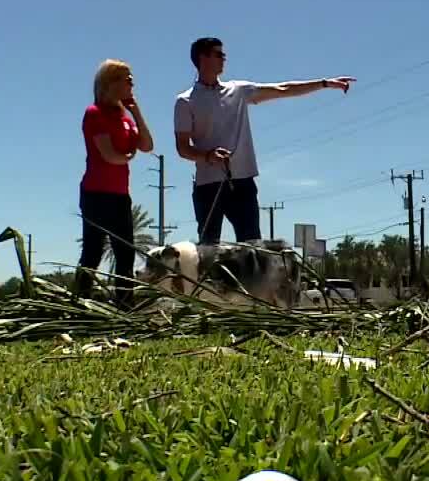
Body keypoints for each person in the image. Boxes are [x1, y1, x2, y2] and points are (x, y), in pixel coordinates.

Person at [173, 36, 355, 244]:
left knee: (252, 247)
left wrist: (324, 83)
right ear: (202, 58)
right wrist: (207, 155)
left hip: (242, 183)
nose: (224, 58)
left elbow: (283, 89)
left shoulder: (238, 90)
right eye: (219, 54)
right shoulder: (185, 101)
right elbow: (182, 148)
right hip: (207, 186)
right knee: (207, 249)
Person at [73, 59, 155, 299]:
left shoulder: (126, 118)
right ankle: (81, 301)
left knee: (125, 253)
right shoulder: (94, 113)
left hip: (120, 195)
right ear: (110, 82)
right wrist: (129, 155)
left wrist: (135, 110)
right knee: (93, 252)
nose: (132, 82)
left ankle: (124, 306)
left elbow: (148, 145)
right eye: (126, 78)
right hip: (96, 193)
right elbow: (109, 155)